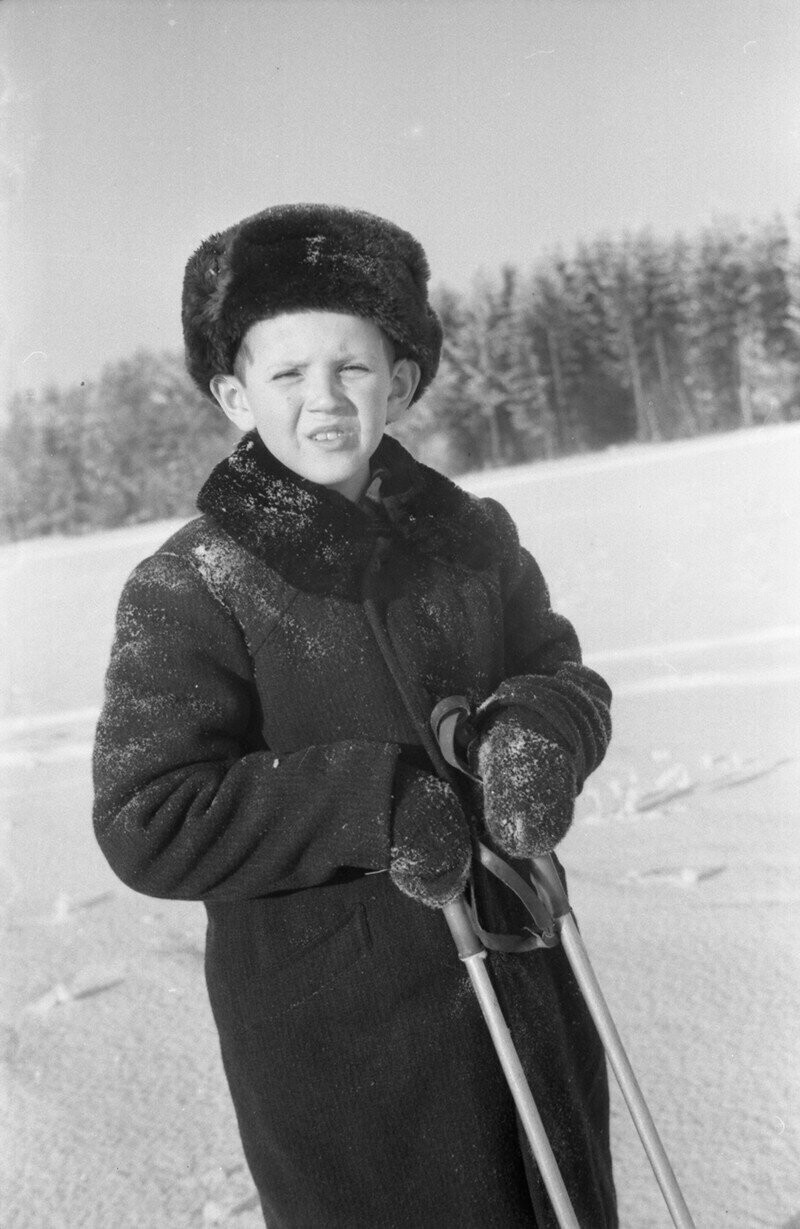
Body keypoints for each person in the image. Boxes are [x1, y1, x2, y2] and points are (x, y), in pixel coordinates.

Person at [93, 203, 616, 1228]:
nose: (323, 401)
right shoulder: (195, 580)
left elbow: (561, 670)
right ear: (234, 395)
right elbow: (147, 814)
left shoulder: (469, 536)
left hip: (526, 993)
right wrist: (372, 804)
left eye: (353, 367)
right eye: (287, 374)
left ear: (402, 381)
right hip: (349, 1060)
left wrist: (540, 732)